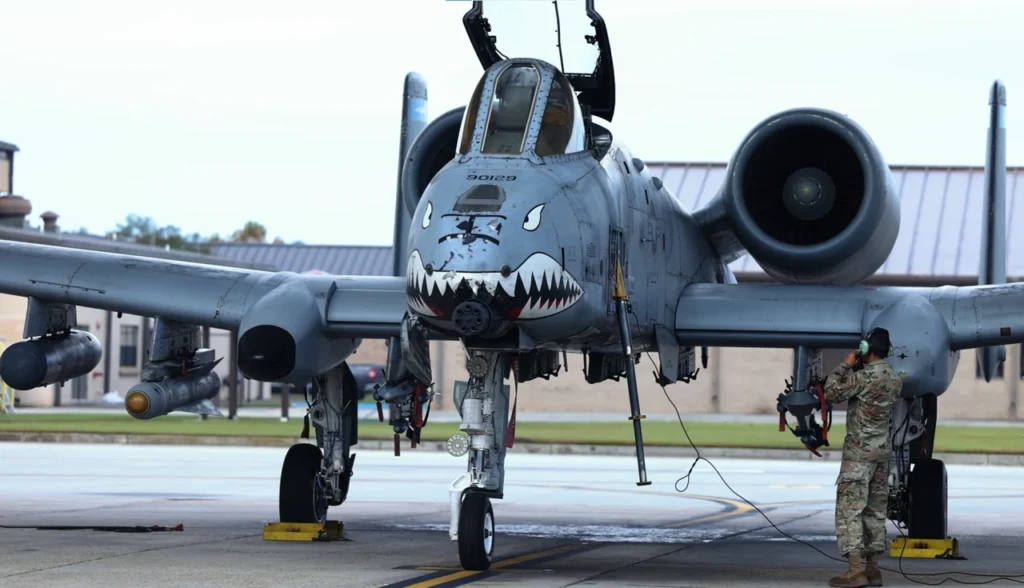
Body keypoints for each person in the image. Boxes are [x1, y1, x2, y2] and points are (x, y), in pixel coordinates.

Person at [822, 327, 903, 588]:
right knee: (875, 511)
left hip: (858, 455)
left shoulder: (863, 377)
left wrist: (845, 366)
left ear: (866, 349)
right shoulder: (894, 378)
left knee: (849, 511)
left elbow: (832, 392)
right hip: (881, 454)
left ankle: (854, 571)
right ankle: (874, 570)